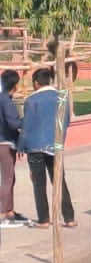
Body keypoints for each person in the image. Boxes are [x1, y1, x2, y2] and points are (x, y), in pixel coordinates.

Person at [20, 68, 74, 229]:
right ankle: (69, 217)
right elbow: (67, 121)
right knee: (59, 181)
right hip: (55, 145)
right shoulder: (62, 97)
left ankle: (44, 219)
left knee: (39, 183)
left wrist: (21, 147)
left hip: (35, 146)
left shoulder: (31, 100)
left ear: (36, 83)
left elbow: (27, 126)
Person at [0, 70, 25, 225]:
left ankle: (9, 209)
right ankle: (3, 211)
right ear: (15, 86)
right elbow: (13, 123)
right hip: (5, 143)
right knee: (8, 179)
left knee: (10, 178)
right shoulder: (6, 101)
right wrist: (26, 121)